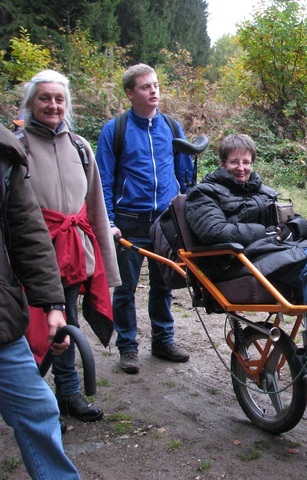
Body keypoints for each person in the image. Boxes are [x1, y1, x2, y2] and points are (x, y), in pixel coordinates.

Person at [185, 134, 307, 397]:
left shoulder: (263, 192)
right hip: (240, 263)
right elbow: (212, 230)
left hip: (274, 253)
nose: (241, 168)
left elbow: (298, 221)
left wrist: (291, 227)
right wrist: (263, 232)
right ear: (222, 163)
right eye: (234, 162)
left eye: (246, 162)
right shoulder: (204, 193)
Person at [17, 69, 121, 424]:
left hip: (73, 253)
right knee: (32, 330)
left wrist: (105, 250)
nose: (53, 105)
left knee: (66, 326)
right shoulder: (17, 147)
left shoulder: (80, 146)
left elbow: (95, 204)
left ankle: (68, 394)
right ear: (30, 102)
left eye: (59, 99)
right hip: (30, 258)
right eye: (45, 98)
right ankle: (38, 404)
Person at [96, 63, 193, 374]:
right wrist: (109, 220)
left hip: (165, 220)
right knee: (125, 287)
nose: (154, 91)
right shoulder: (115, 130)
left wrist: (186, 209)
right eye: (145, 86)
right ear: (130, 93)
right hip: (129, 221)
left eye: (156, 85)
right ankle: (127, 346)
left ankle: (163, 341)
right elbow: (103, 181)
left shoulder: (172, 128)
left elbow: (184, 174)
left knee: (164, 284)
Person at [0, 123, 80, 479]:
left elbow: (28, 236)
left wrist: (53, 305)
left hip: (1, 325)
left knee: (39, 410)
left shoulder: (4, 154)